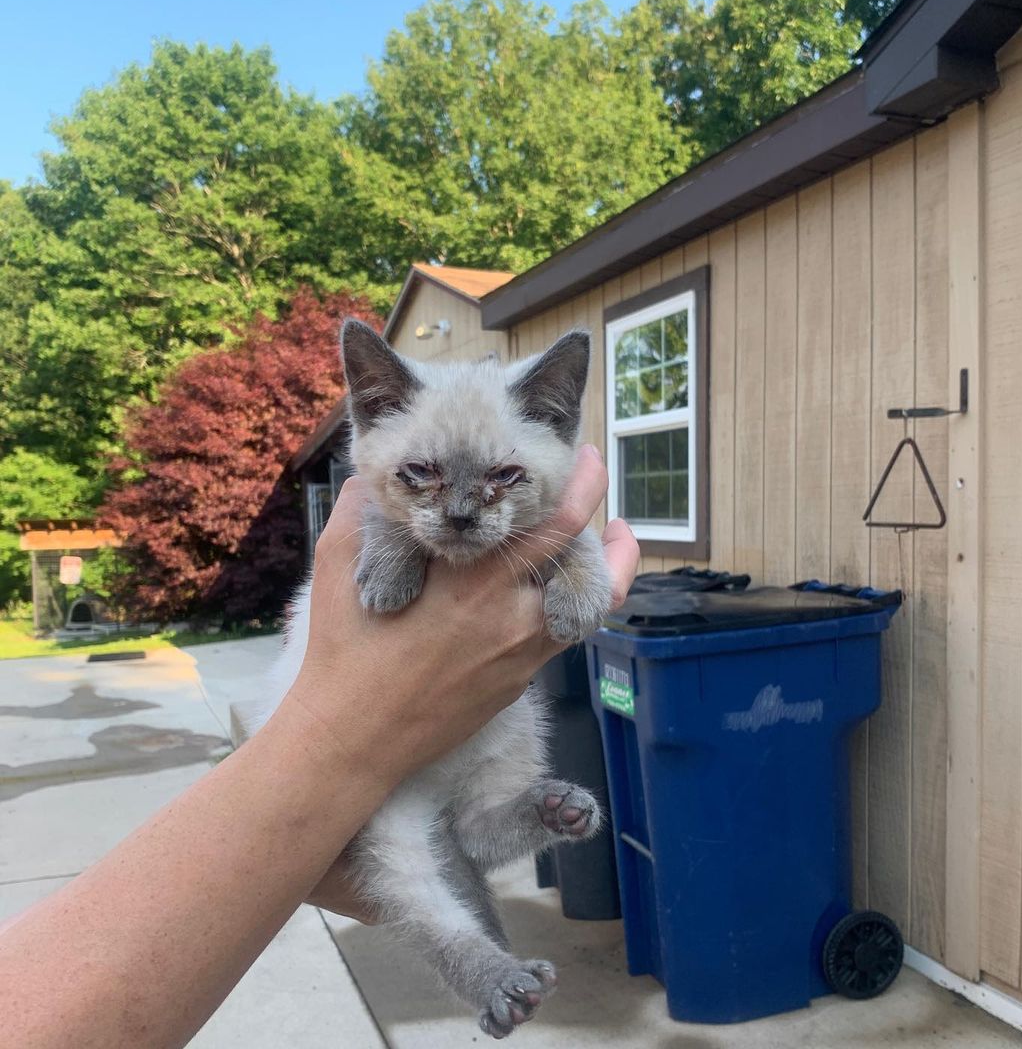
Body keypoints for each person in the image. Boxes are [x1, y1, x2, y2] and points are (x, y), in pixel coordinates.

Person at [0, 446, 638, 1049]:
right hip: (352, 749)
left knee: (492, 761)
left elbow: (555, 540)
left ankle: (516, 821)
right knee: (401, 848)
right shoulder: (387, 496)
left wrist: (576, 566)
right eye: (424, 471)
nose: (463, 502)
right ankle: (475, 963)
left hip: (458, 756)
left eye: (500, 473)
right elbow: (379, 512)